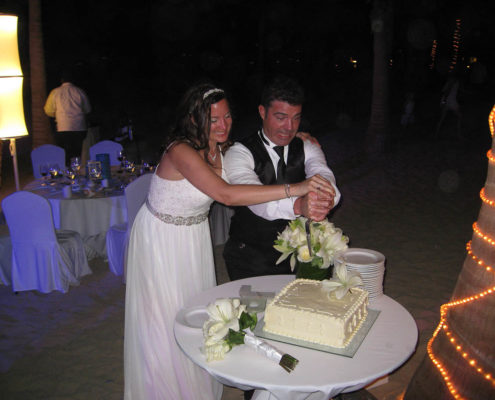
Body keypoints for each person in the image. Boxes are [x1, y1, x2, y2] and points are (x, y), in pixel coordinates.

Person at [123, 82, 334, 400]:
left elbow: (248, 168)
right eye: (214, 119)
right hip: (161, 238)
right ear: (195, 119)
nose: (222, 125)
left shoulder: (222, 149)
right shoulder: (180, 150)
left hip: (193, 237)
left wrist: (297, 137)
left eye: (227, 117)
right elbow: (226, 194)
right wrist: (296, 189)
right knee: (163, 317)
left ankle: (192, 380)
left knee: (193, 311)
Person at [223, 76, 340, 281]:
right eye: (280, 117)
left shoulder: (307, 145)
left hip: (297, 256)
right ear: (262, 112)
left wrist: (326, 198)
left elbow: (324, 176)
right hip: (249, 256)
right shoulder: (239, 152)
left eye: (296, 118)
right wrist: (299, 206)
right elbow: (256, 201)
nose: (289, 126)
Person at [44, 69, 91, 160]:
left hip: (63, 127)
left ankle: (67, 171)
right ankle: (76, 171)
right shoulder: (79, 91)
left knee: (64, 154)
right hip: (79, 127)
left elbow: (48, 110)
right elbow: (87, 109)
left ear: (61, 80)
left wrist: (58, 115)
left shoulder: (55, 92)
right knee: (77, 153)